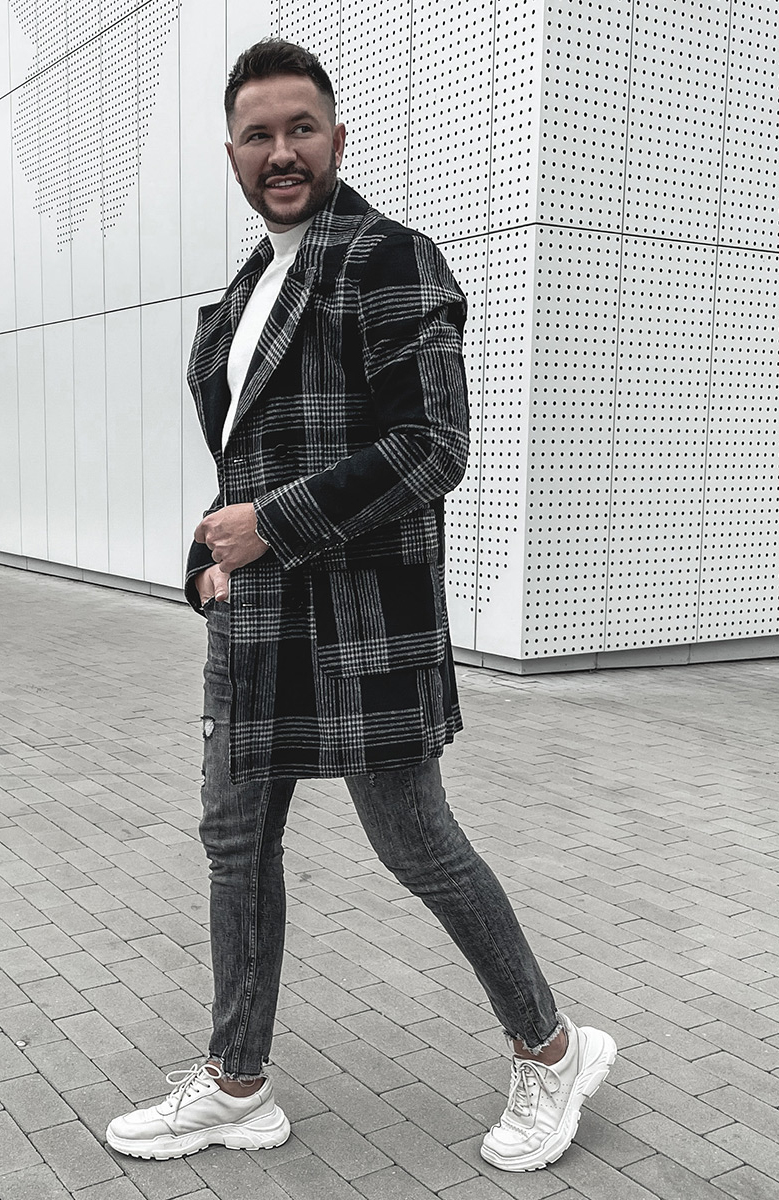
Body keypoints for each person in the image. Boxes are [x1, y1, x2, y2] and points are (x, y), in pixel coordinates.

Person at [106, 38, 616, 1173]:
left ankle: (552, 1048)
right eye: (258, 135)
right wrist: (209, 557)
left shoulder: (390, 260)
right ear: (232, 154)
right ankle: (238, 1083)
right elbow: (247, 468)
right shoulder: (241, 297)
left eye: (300, 128)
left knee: (415, 842)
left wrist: (272, 526)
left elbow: (433, 444)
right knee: (235, 843)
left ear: (336, 138)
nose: (280, 151)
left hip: (363, 624)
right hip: (256, 625)